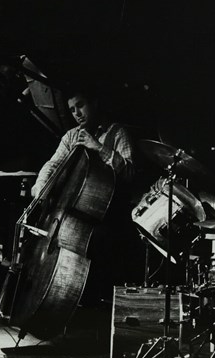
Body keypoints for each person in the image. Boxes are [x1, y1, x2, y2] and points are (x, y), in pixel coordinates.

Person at [29, 85, 137, 302]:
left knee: (99, 243)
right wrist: (41, 187)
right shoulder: (71, 136)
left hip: (109, 216)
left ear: (94, 103)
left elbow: (129, 172)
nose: (77, 113)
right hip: (75, 214)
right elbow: (52, 165)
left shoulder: (118, 132)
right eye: (71, 109)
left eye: (81, 105)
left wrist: (98, 147)